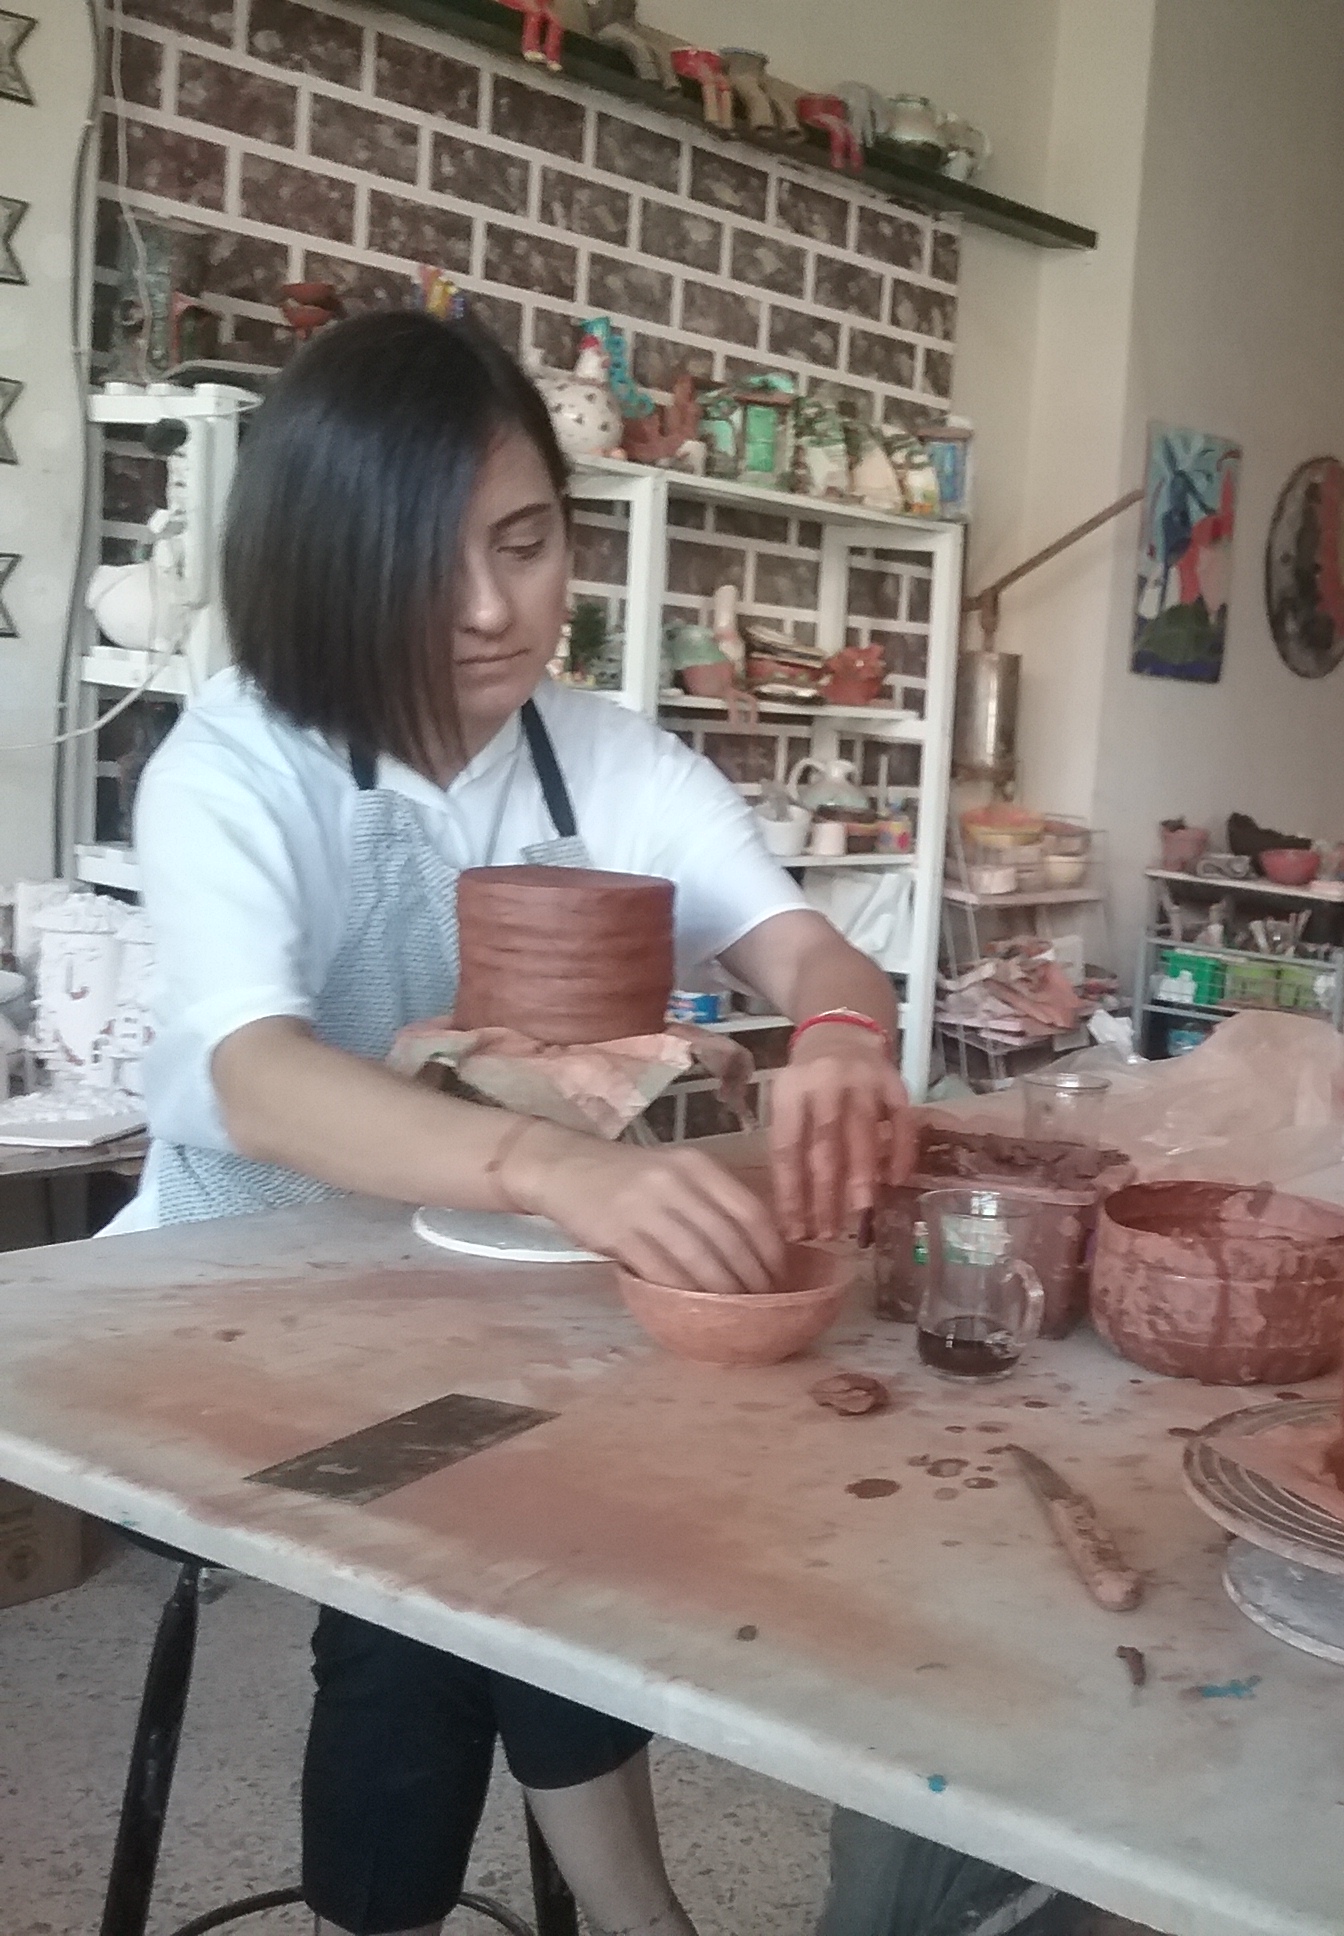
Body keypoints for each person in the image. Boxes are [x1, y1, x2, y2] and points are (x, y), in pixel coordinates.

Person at [117, 310, 912, 1936]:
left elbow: (811, 952)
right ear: (324, 561)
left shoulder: (605, 761)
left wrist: (842, 1035)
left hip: (477, 1280)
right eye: (431, 560)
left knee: (542, 1492)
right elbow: (254, 1074)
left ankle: (527, 1914)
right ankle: (620, 1911)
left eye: (528, 541)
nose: (492, 609)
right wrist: (554, 1167)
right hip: (235, 1296)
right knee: (455, 1528)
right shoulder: (237, 763)